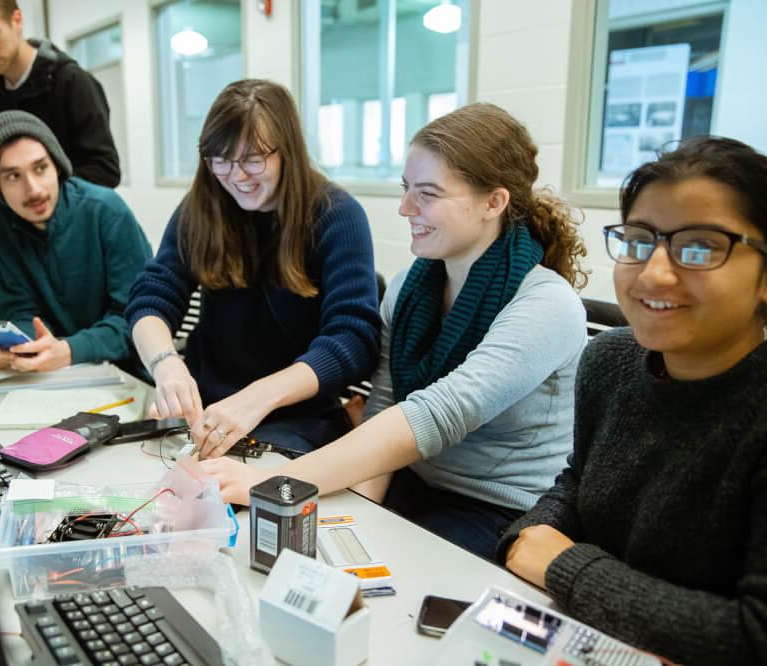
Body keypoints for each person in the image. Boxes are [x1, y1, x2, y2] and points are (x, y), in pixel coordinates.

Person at [202, 103, 589, 559]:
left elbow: (436, 414)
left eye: (427, 193)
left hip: (498, 511)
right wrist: (357, 518)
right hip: (414, 480)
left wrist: (282, 485)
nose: (406, 208)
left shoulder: (546, 304)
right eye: (406, 189)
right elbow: (385, 404)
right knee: (309, 555)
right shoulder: (411, 285)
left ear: (494, 202)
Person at [499, 136, 767, 664]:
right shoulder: (610, 360)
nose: (654, 272)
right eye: (640, 241)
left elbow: (753, 636)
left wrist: (564, 566)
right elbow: (578, 482)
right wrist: (529, 534)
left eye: (699, 247)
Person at [126, 79, 381, 456]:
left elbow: (353, 340)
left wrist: (257, 398)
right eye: (221, 160)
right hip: (206, 412)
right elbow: (151, 299)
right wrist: (166, 366)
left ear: (287, 151)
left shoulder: (335, 216)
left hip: (298, 420)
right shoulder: (201, 209)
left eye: (253, 159)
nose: (236, 175)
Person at [0, 0, 120, 270]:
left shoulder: (71, 83)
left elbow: (104, 170)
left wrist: (24, 194)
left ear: (17, 20)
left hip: (75, 241)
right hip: (18, 242)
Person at [0, 111, 150, 373]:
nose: (34, 189)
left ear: (57, 165)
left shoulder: (105, 210)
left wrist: (70, 350)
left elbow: (141, 318)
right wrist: (16, 348)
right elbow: (16, 309)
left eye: (40, 168)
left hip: (123, 372)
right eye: (13, 176)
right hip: (48, 376)